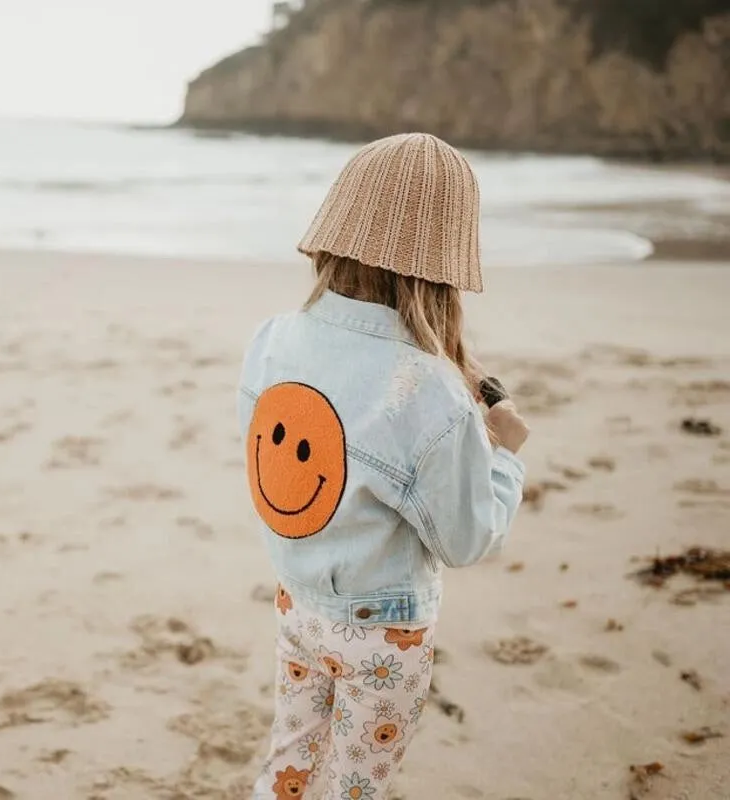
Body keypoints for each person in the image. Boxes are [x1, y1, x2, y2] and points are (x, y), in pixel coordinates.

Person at [239, 132, 530, 799]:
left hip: (298, 601)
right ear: (443, 268)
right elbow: (464, 539)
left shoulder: (272, 341)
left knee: (290, 759)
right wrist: (504, 455)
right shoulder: (430, 392)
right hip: (384, 635)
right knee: (353, 784)